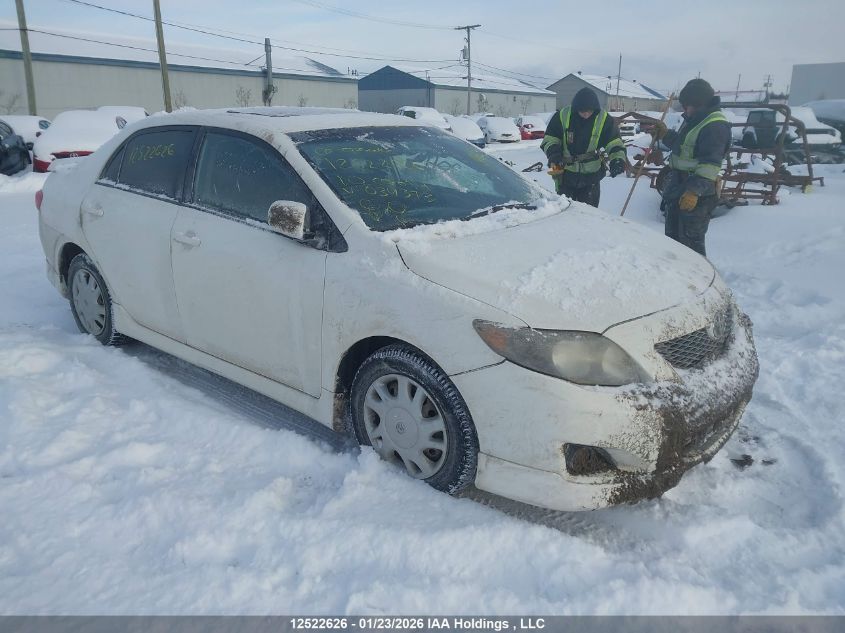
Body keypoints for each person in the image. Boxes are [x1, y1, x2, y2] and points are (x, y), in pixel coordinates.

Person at [651, 78, 731, 257]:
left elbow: (710, 164)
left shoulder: (714, 125)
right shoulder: (695, 119)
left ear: (699, 104)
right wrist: (665, 135)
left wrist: (693, 191)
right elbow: (684, 148)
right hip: (678, 187)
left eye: (687, 106)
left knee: (690, 247)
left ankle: (698, 281)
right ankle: (675, 279)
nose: (685, 110)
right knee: (672, 242)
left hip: (698, 195)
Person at [540, 87, 627, 206]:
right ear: (576, 109)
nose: (586, 114)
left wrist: (617, 159)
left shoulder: (605, 119)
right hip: (564, 174)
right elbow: (550, 139)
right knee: (563, 213)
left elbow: (614, 142)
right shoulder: (562, 116)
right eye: (582, 111)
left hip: (591, 178)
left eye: (589, 111)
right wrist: (554, 154)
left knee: (588, 216)